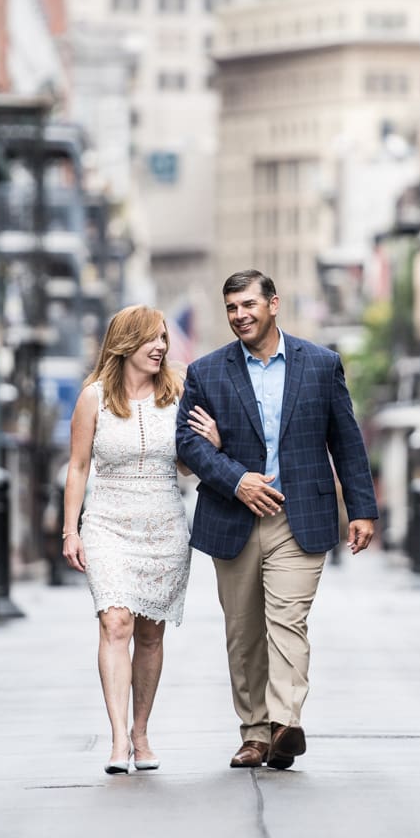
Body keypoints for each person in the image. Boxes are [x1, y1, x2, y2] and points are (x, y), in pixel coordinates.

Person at [175, 270, 379, 771]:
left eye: (248, 305)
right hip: (234, 515)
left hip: (299, 514)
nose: (240, 315)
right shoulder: (207, 372)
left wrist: (362, 509)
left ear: (274, 304)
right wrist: (237, 478)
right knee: (244, 632)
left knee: (288, 620)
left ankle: (285, 724)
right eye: (231, 308)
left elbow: (346, 440)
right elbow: (186, 443)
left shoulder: (321, 364)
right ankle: (254, 734)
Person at [61, 304, 220, 775]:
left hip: (164, 525)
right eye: (152, 338)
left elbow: (188, 466)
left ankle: (141, 733)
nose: (161, 347)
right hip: (108, 523)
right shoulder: (93, 398)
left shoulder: (179, 396)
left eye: (164, 338)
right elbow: (77, 466)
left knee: (150, 634)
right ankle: (116, 739)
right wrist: (72, 529)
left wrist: (210, 442)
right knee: (116, 623)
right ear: (125, 343)